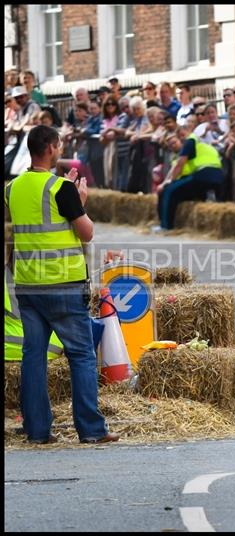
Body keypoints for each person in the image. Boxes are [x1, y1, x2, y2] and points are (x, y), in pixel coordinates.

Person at [4, 125, 119, 444]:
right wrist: (79, 201)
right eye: (59, 145)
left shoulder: (12, 188)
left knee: (33, 356)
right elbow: (86, 233)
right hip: (63, 284)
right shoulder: (61, 189)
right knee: (81, 355)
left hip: (27, 285)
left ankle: (38, 431)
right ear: (52, 148)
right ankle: (92, 430)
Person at [156, 132, 224, 230]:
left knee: (168, 191)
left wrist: (167, 183)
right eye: (170, 145)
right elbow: (176, 169)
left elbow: (179, 167)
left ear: (181, 140)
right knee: (189, 192)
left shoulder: (190, 142)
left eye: (174, 142)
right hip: (218, 176)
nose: (172, 146)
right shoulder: (203, 145)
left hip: (203, 174)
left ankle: (165, 226)